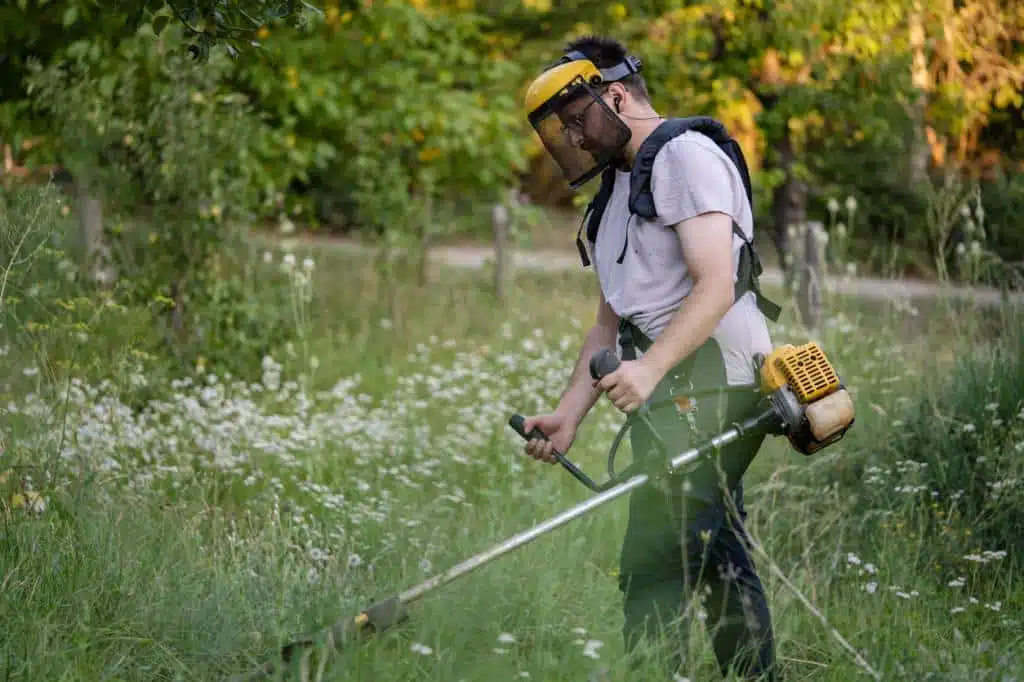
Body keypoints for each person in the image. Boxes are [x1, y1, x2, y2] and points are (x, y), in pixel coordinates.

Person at [519, 35, 779, 681]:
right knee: (710, 551)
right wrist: (569, 415)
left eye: (577, 121)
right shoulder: (618, 188)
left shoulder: (685, 158)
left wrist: (652, 367)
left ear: (615, 94)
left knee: (657, 558)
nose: (574, 139)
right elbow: (611, 320)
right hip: (672, 392)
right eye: (564, 129)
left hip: (719, 385)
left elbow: (716, 283)